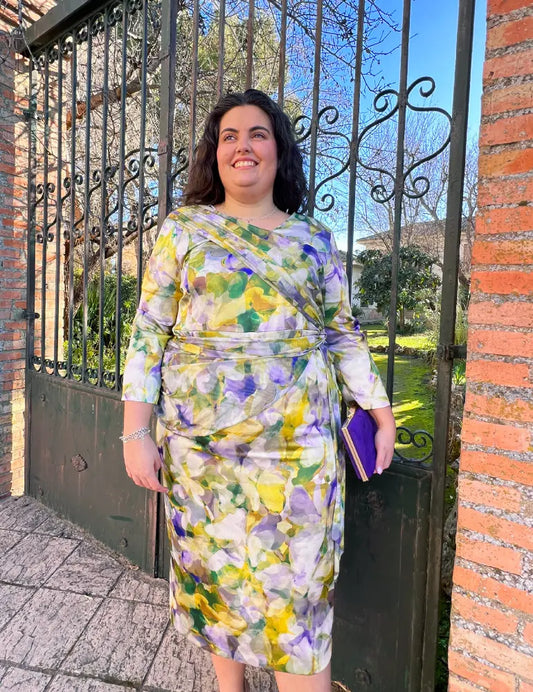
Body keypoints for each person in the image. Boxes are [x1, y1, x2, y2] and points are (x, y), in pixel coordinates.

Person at [121, 89, 395, 692]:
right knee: (217, 579)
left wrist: (380, 410)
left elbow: (341, 332)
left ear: (278, 151)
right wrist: (135, 433)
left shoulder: (315, 241)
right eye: (229, 136)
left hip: (299, 451)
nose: (242, 146)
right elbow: (148, 332)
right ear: (214, 155)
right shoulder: (183, 231)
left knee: (299, 600)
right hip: (203, 452)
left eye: (257, 134)